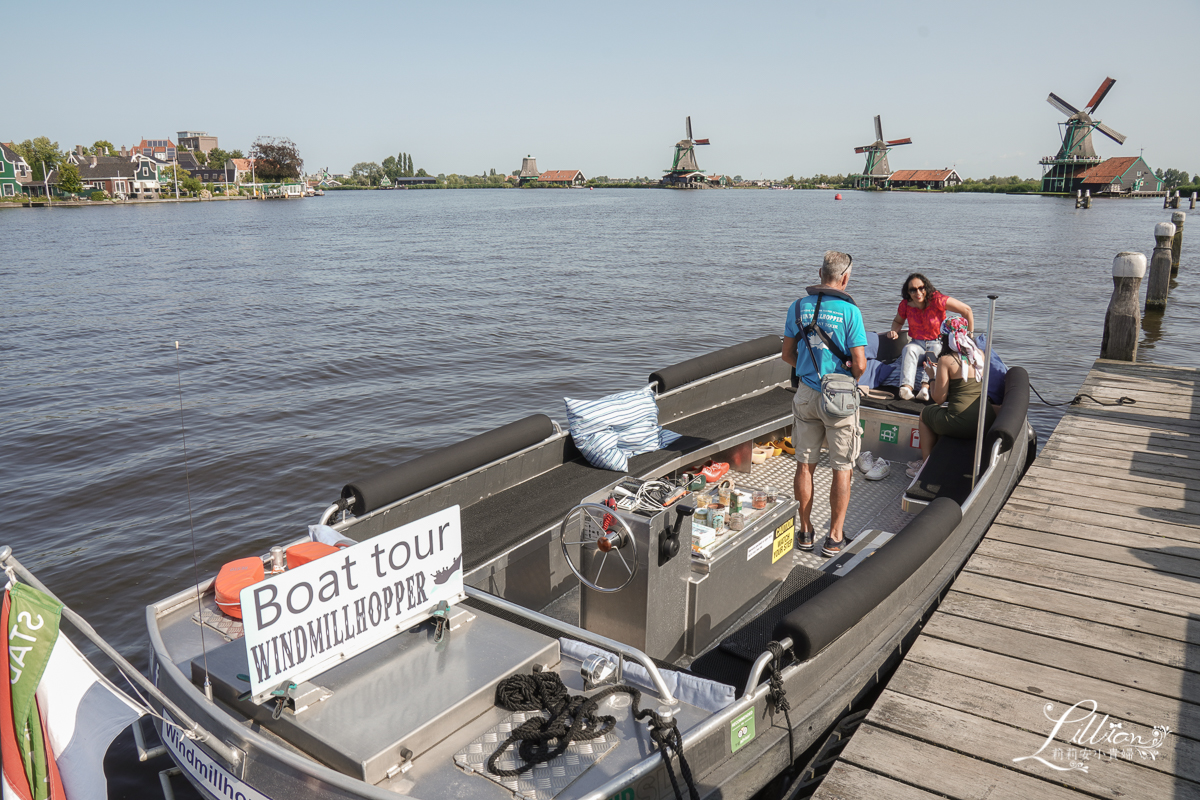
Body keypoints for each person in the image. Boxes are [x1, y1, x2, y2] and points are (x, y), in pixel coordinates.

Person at [782, 251, 868, 557]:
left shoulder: (798, 307)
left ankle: (804, 532)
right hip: (840, 397)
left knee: (804, 465)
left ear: (820, 273)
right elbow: (859, 364)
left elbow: (787, 355)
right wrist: (850, 371)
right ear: (845, 277)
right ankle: (834, 538)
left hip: (806, 393)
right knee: (842, 468)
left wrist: (808, 368)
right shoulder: (849, 311)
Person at [909, 317, 997, 476]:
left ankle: (926, 466)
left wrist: (932, 376)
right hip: (985, 419)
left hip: (961, 423)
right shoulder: (980, 355)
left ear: (945, 337)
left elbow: (939, 399)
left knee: (925, 415)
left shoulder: (946, 360)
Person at [885, 273, 974, 402]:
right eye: (913, 290)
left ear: (926, 288)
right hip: (917, 343)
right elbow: (898, 322)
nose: (918, 292)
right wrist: (894, 331)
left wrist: (969, 335)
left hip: (936, 342)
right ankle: (906, 388)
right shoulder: (905, 305)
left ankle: (925, 388)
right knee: (908, 349)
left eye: (921, 288)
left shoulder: (937, 300)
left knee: (933, 353)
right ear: (908, 292)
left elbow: (967, 310)